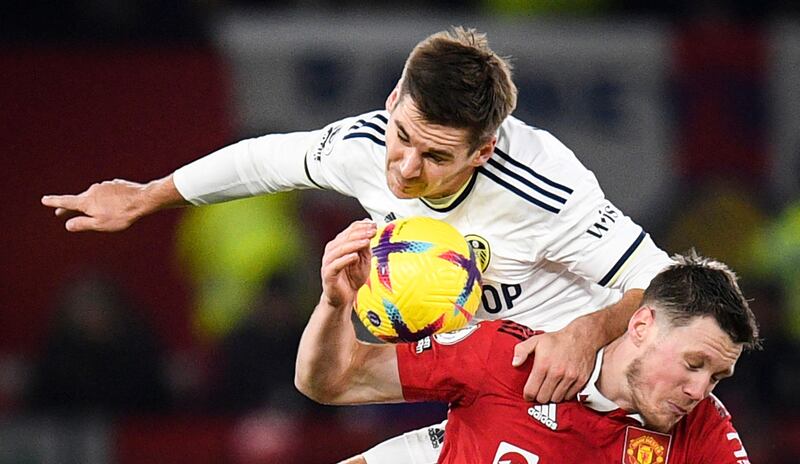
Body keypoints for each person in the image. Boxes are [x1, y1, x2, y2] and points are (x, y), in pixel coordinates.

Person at [41, 27, 674, 461]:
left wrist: (586, 332)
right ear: (393, 99)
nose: (404, 168)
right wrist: (149, 195)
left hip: (580, 401)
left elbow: (667, 283)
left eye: (436, 156)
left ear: (483, 151)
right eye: (403, 135)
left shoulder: (545, 191)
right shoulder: (365, 148)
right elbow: (267, 160)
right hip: (477, 382)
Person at [295, 220, 759, 463]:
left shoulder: (703, 429)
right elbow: (331, 381)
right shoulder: (509, 357)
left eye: (717, 377)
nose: (700, 391)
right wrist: (335, 306)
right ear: (641, 327)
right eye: (693, 363)